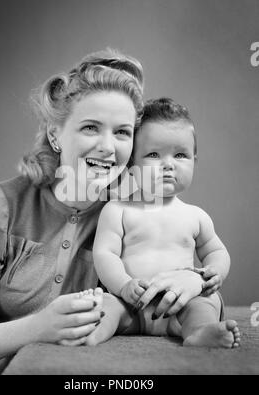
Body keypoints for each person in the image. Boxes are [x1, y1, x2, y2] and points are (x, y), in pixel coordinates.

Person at [0, 50, 207, 376]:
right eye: (91, 128)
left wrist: (191, 279)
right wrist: (38, 327)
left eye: (122, 132)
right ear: (54, 134)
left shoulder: (127, 212)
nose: (108, 146)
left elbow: (180, 302)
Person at [92, 98, 241, 348]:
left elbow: (216, 251)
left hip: (179, 307)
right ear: (131, 165)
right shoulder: (117, 210)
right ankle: (92, 333)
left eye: (181, 155)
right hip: (131, 303)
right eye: (153, 154)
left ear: (195, 160)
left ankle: (199, 332)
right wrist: (123, 285)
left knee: (207, 302)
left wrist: (213, 274)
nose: (168, 165)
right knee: (106, 305)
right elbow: (105, 254)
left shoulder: (196, 216)